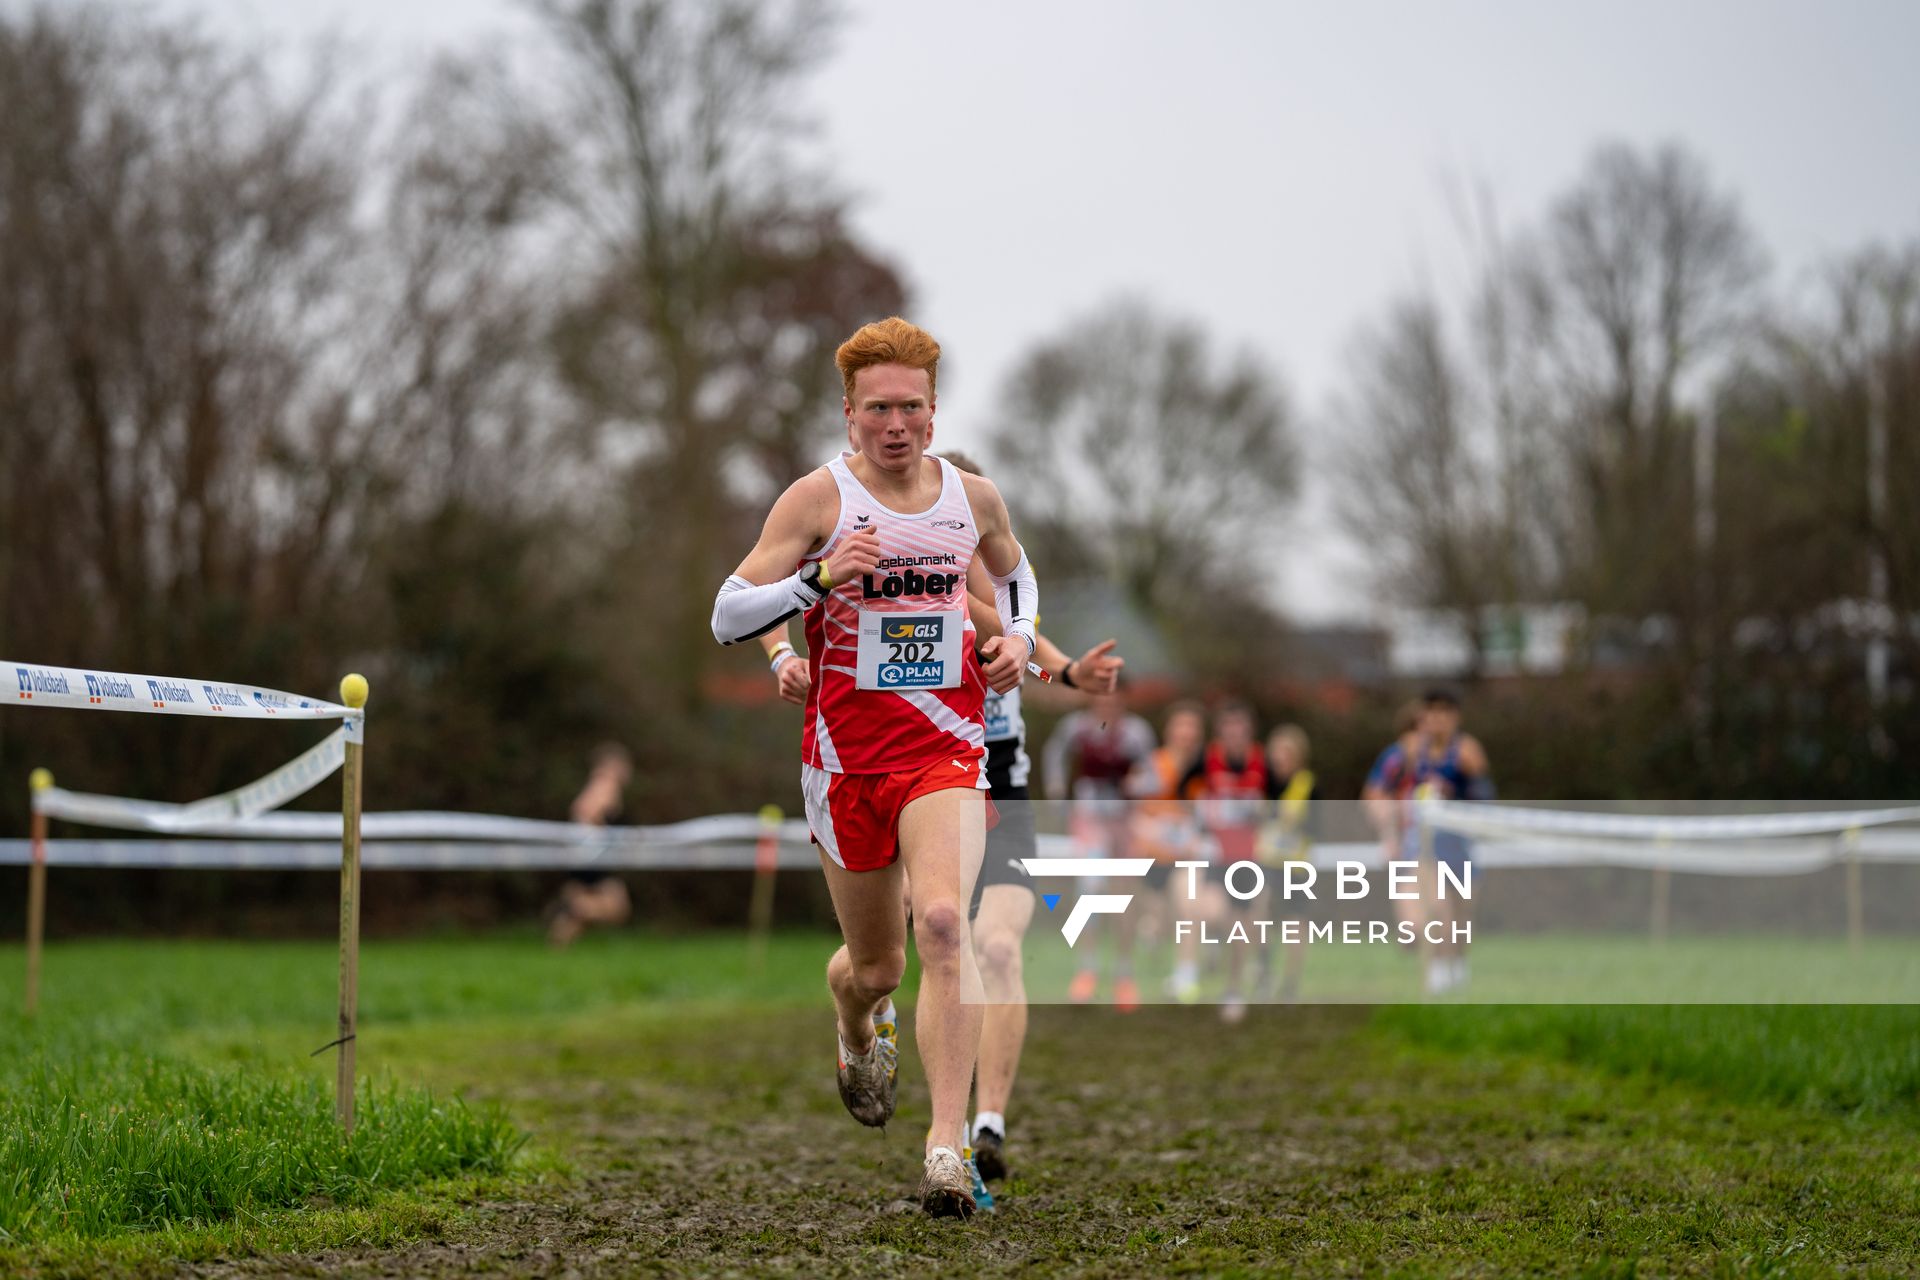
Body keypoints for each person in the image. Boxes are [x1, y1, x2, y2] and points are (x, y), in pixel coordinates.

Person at [711, 316, 1037, 1219]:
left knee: (945, 924)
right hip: (848, 765)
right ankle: (855, 1020)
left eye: (912, 408)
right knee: (878, 967)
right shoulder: (818, 502)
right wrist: (817, 583)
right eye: (878, 409)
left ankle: (945, 1150)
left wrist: (1016, 638)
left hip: (946, 751)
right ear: (849, 415)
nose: (897, 425)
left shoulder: (972, 498)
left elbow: (1016, 576)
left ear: (934, 413)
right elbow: (728, 613)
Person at [756, 449, 1125, 1193]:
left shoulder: (985, 581)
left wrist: (1060, 670)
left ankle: (977, 1131)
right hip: (893, 775)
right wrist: (779, 654)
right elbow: (778, 588)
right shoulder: (893, 571)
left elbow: (1021, 633)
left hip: (990, 786)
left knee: (984, 941)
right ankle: (858, 1018)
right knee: (880, 965)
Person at [1041, 684, 1157, 1009]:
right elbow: (1054, 754)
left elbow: (1155, 776)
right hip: (1089, 823)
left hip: (1123, 825)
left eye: (1115, 699)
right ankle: (1087, 970)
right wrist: (1056, 789)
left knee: (1124, 897)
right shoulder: (1076, 727)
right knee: (1089, 892)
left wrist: (1137, 784)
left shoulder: (1136, 733)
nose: (1108, 705)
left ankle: (1124, 974)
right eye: (1102, 698)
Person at [1176, 702, 1269, 1024]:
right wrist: (1198, 820)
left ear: (1249, 730)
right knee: (1212, 911)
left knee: (1242, 926)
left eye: (1240, 727)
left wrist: (1266, 817)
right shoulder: (1207, 758)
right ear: (1220, 731)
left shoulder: (1261, 762)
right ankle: (1214, 942)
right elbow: (1182, 788)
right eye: (1228, 727)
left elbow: (1280, 797)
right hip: (1217, 854)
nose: (1234, 734)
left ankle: (1233, 990)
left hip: (1248, 857)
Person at [1401, 688, 1493, 994]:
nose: (1437, 719)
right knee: (1438, 907)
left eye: (1444, 712)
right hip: (1427, 842)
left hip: (1460, 841)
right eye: (1431, 712)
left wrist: (1456, 800)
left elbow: (1483, 796)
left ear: (1455, 717)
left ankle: (1457, 965)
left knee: (1462, 914)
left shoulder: (1467, 751)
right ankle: (1438, 969)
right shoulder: (1413, 750)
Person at [1127, 701, 1208, 1001]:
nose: (1186, 733)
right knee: (1154, 925)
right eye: (1181, 726)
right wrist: (1154, 831)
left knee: (1190, 907)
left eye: (1192, 727)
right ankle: (1151, 941)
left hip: (1186, 857)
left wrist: (1196, 836)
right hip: (1152, 858)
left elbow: (1209, 814)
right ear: (1169, 730)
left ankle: (1187, 976)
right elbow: (1131, 813)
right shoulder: (1151, 765)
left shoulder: (1205, 771)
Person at [1252, 724, 1317, 1003]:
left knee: (1295, 922)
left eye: (1286, 753)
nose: (1280, 759)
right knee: (1260, 910)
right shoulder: (1263, 783)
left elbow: (1316, 827)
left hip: (1296, 865)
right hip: (1266, 861)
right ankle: (1263, 971)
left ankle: (1290, 984)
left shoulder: (1307, 785)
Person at [547, 743, 634, 947]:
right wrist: (598, 831)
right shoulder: (606, 784)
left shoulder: (600, 784)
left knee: (582, 917)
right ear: (613, 765)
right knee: (617, 907)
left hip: (589, 856)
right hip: (591, 857)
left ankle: (557, 949)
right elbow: (582, 809)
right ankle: (572, 906)